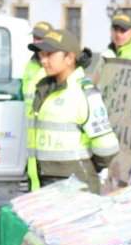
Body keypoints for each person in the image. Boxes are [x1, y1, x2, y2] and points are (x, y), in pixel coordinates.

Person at [29, 28, 119, 194]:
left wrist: (85, 167)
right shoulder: (44, 89)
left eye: (49, 55)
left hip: (76, 185)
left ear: (69, 58)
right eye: (41, 55)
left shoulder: (84, 93)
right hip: (45, 180)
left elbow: (107, 147)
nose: (43, 60)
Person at [22, 21, 51, 188]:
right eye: (35, 37)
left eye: (40, 38)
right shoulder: (32, 62)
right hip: (31, 122)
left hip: (45, 123)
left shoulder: (53, 65)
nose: (36, 41)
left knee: (43, 168)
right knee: (32, 168)